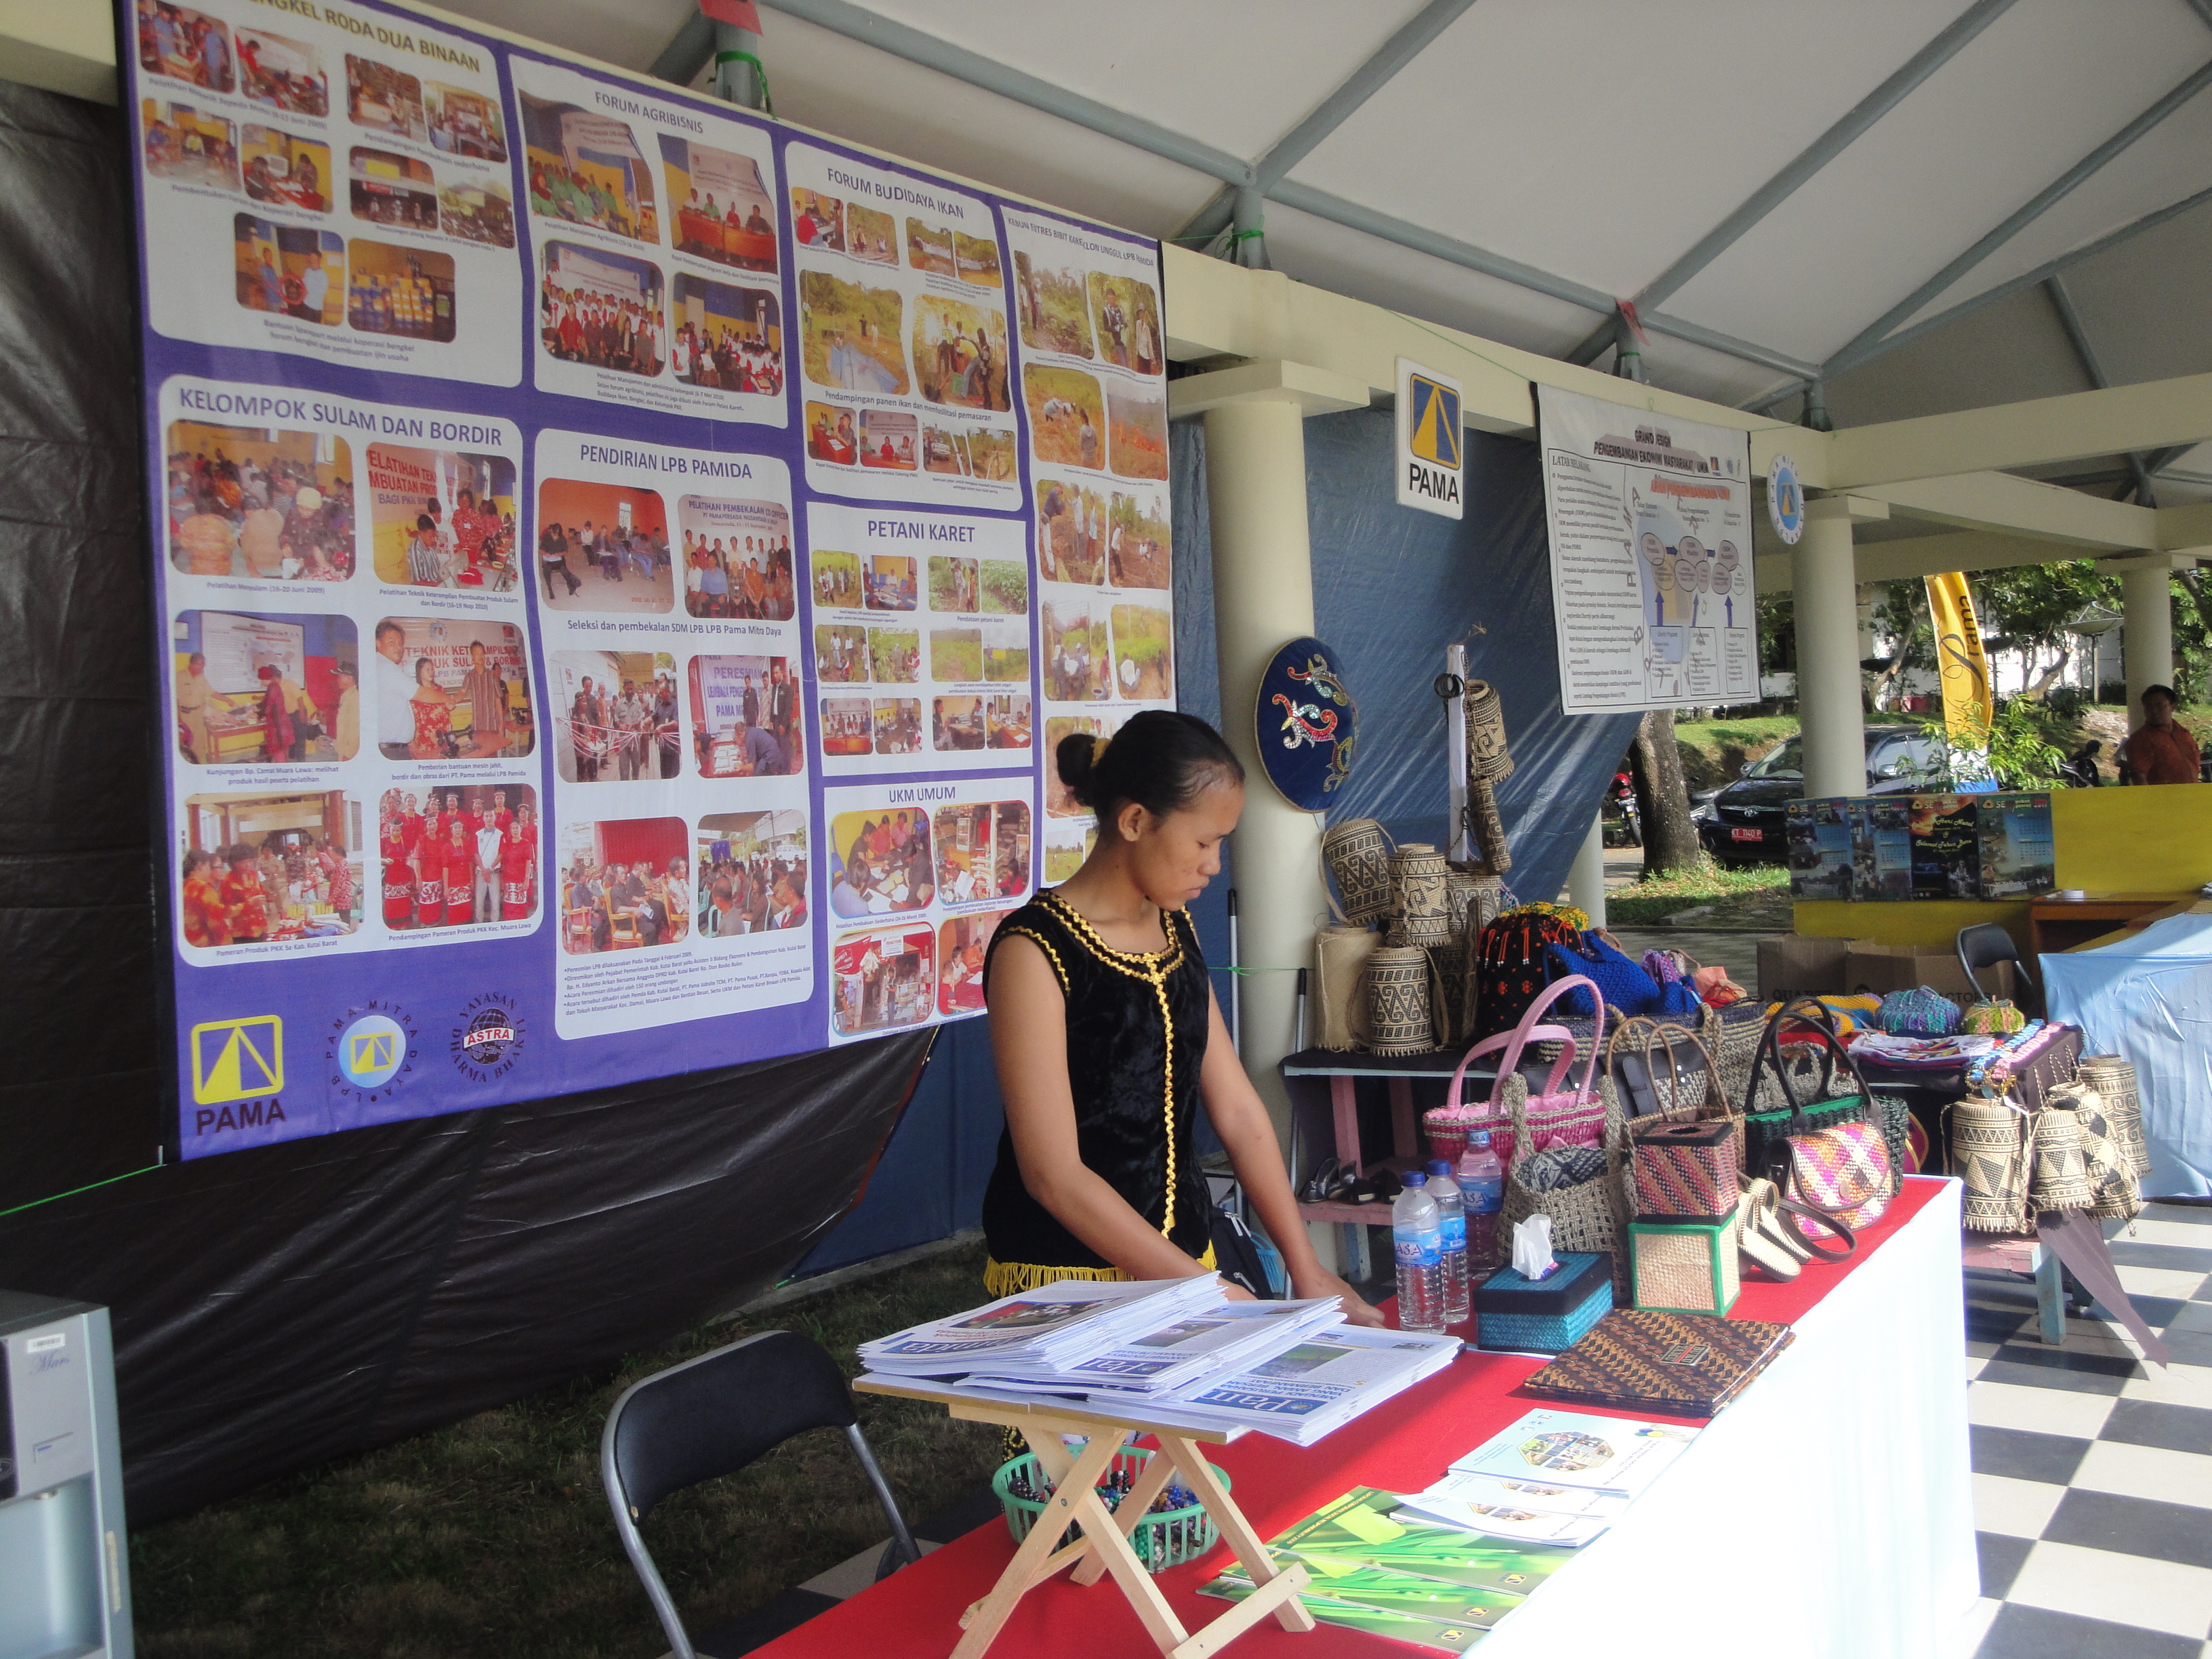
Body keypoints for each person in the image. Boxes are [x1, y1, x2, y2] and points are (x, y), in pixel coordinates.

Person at [982, 712, 1380, 1321]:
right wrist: (1208, 1293)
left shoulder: (1176, 927)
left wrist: (1305, 1266)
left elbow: (1238, 1110)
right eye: (1203, 843)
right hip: (1072, 1282)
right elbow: (1053, 1175)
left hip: (1187, 1259)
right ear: (1135, 822)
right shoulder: (1033, 950)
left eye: (1221, 843)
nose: (1214, 864)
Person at [2120, 684, 2201, 785]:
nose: (2154, 711)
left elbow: (2195, 766)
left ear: (2172, 707)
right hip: (2162, 794)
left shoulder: (2184, 734)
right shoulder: (2141, 739)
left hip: (2193, 792)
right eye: (2149, 707)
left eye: (2160, 706)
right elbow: (2138, 776)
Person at [374, 620, 415, 760]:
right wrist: (447, 699)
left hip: (394, 749)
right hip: (390, 752)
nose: (399, 647)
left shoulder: (383, 666)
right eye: (392, 642)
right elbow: (420, 693)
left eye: (400, 643)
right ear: (378, 643)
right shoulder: (386, 667)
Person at [461, 639, 505, 756]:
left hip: (492, 726)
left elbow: (498, 701)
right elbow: (462, 692)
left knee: (493, 758)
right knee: (480, 757)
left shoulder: (492, 675)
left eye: (482, 653)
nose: (480, 656)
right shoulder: (469, 676)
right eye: (477, 653)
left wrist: (501, 726)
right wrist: (451, 700)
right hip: (478, 727)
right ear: (472, 657)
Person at [181, 848, 231, 948]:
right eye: (208, 866)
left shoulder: (183, 887)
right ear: (200, 866)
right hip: (204, 946)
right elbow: (216, 923)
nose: (209, 870)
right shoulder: (204, 889)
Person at [222, 843, 270, 943]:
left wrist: (267, 896)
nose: (248, 865)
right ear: (235, 863)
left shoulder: (253, 874)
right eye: (244, 863)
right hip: (243, 932)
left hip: (260, 926)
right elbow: (226, 911)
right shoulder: (228, 881)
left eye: (250, 862)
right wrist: (249, 904)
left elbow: (259, 891)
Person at [407, 657, 452, 760]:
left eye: (432, 669)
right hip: (425, 740)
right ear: (419, 672)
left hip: (442, 737)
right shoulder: (416, 693)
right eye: (427, 669)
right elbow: (411, 719)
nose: (431, 672)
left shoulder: (440, 690)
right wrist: (411, 742)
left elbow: (446, 713)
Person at [177, 651, 214, 762]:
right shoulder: (180, 676)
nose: (202, 668)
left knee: (200, 742)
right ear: (192, 664)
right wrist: (178, 719)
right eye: (200, 665)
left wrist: (228, 700)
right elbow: (175, 699)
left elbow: (211, 692)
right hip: (185, 716)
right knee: (187, 743)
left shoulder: (201, 677)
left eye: (203, 666)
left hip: (198, 714)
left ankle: (199, 764)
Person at [474, 813, 503, 923]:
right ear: (483, 818)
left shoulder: (500, 834)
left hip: (494, 873)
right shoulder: (478, 834)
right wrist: (483, 870)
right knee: (479, 903)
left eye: (491, 816)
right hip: (480, 873)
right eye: (486, 816)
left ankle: (495, 924)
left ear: (495, 818)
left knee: (495, 903)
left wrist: (490, 869)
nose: (489, 819)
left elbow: (501, 854)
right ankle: (479, 924)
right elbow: (475, 853)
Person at [330, 660, 359, 761]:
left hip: (349, 753)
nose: (338, 680)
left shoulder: (354, 697)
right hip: (343, 749)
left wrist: (349, 753)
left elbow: (355, 729)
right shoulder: (347, 695)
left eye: (340, 677)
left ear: (349, 678)